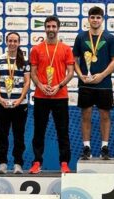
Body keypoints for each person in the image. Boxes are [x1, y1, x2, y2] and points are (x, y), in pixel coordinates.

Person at [29, 16, 74, 174]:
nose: (51, 29)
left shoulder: (66, 49)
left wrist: (58, 86)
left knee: (63, 131)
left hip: (60, 96)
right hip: (41, 96)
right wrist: (41, 86)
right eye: (48, 26)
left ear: (58, 28)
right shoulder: (36, 49)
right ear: (45, 28)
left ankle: (64, 163)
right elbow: (33, 73)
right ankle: (36, 162)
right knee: (39, 131)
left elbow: (70, 72)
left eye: (53, 26)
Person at [73, 6, 114, 160]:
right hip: (85, 84)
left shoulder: (109, 38)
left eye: (98, 17)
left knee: (105, 116)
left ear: (102, 19)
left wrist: (102, 75)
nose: (95, 20)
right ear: (88, 19)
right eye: (92, 17)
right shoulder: (81, 37)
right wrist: (81, 75)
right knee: (86, 116)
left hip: (104, 84)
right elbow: (74, 60)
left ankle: (104, 147)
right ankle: (87, 147)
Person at [0, 32, 30, 174]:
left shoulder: (24, 61)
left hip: (20, 104)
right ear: (6, 42)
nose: (12, 43)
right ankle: (2, 163)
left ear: (19, 43)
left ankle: (18, 164)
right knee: (2, 135)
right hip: (1, 104)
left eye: (15, 41)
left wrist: (19, 100)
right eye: (10, 41)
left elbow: (27, 83)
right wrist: (0, 98)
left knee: (19, 135)